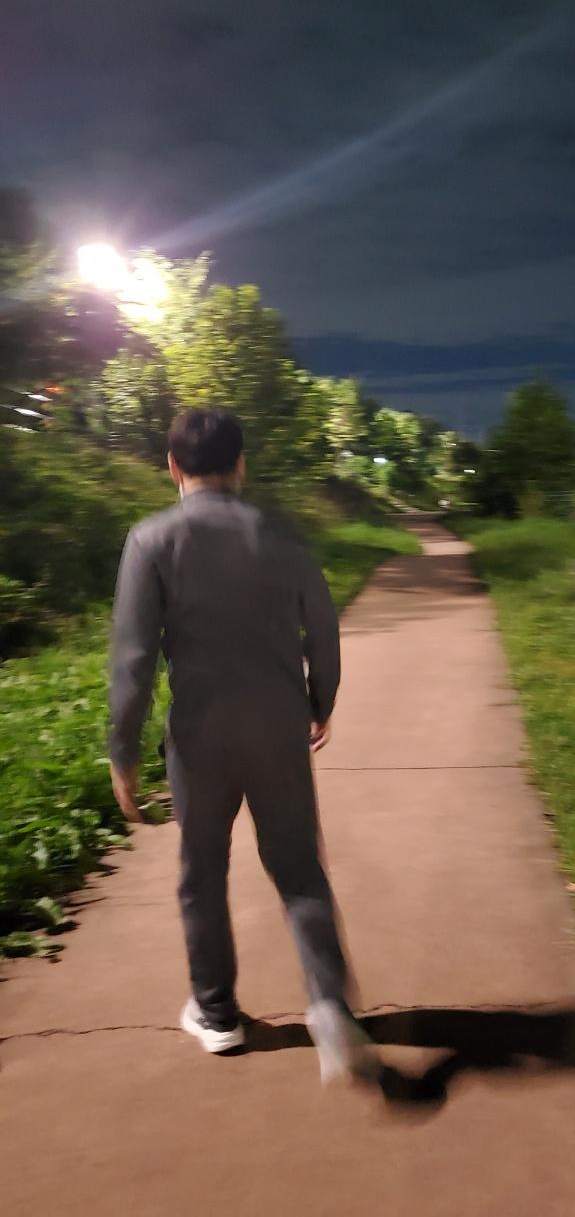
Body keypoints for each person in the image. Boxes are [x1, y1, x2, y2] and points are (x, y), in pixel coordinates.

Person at [108, 407, 370, 1081]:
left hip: (200, 736)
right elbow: (322, 627)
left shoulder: (151, 539)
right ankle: (330, 1004)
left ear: (172, 466)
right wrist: (320, 701)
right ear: (241, 464)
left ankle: (217, 1013)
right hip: (278, 727)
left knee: (202, 873)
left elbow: (134, 659)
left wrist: (124, 752)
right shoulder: (282, 533)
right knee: (298, 868)